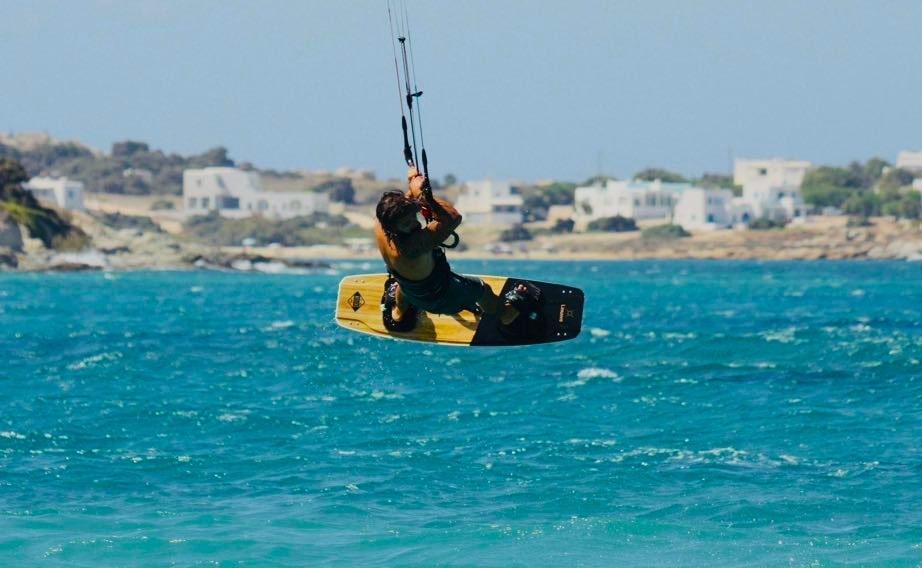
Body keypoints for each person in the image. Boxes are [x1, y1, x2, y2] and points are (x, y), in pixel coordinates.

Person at [373, 167, 540, 332]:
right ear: (393, 227)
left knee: (404, 285)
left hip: (411, 292)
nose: (415, 224)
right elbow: (452, 217)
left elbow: (401, 209)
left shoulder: (381, 226)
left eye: (413, 217)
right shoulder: (413, 246)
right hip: (441, 299)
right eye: (407, 224)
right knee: (482, 290)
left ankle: (399, 312)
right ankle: (506, 314)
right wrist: (422, 194)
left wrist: (413, 184)